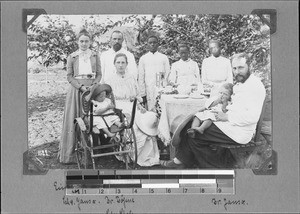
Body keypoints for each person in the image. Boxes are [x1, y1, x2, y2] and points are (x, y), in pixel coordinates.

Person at [160, 52, 266, 168]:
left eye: (240, 67)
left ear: (249, 66)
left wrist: (227, 117)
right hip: (230, 125)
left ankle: (214, 166)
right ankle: (185, 162)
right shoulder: (241, 83)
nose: (236, 71)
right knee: (191, 127)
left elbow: (252, 117)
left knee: (193, 134)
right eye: (234, 68)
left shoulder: (254, 86)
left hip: (239, 131)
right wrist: (217, 103)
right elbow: (228, 102)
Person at [58, 29, 102, 164]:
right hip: (77, 90)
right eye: (81, 41)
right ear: (77, 42)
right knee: (75, 118)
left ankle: (91, 153)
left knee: (91, 119)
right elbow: (69, 77)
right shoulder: (72, 57)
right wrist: (81, 87)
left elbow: (99, 74)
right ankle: (71, 154)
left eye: (86, 41)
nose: (84, 44)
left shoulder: (95, 55)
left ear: (90, 42)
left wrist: (94, 85)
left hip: (92, 90)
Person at [138, 35, 170, 111]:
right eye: (150, 43)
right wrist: (143, 94)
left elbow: (167, 74)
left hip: (161, 89)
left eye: (154, 42)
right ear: (147, 44)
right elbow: (141, 77)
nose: (152, 44)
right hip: (148, 89)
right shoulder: (143, 58)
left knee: (162, 110)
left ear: (158, 44)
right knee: (150, 111)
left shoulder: (163, 57)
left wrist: (164, 87)